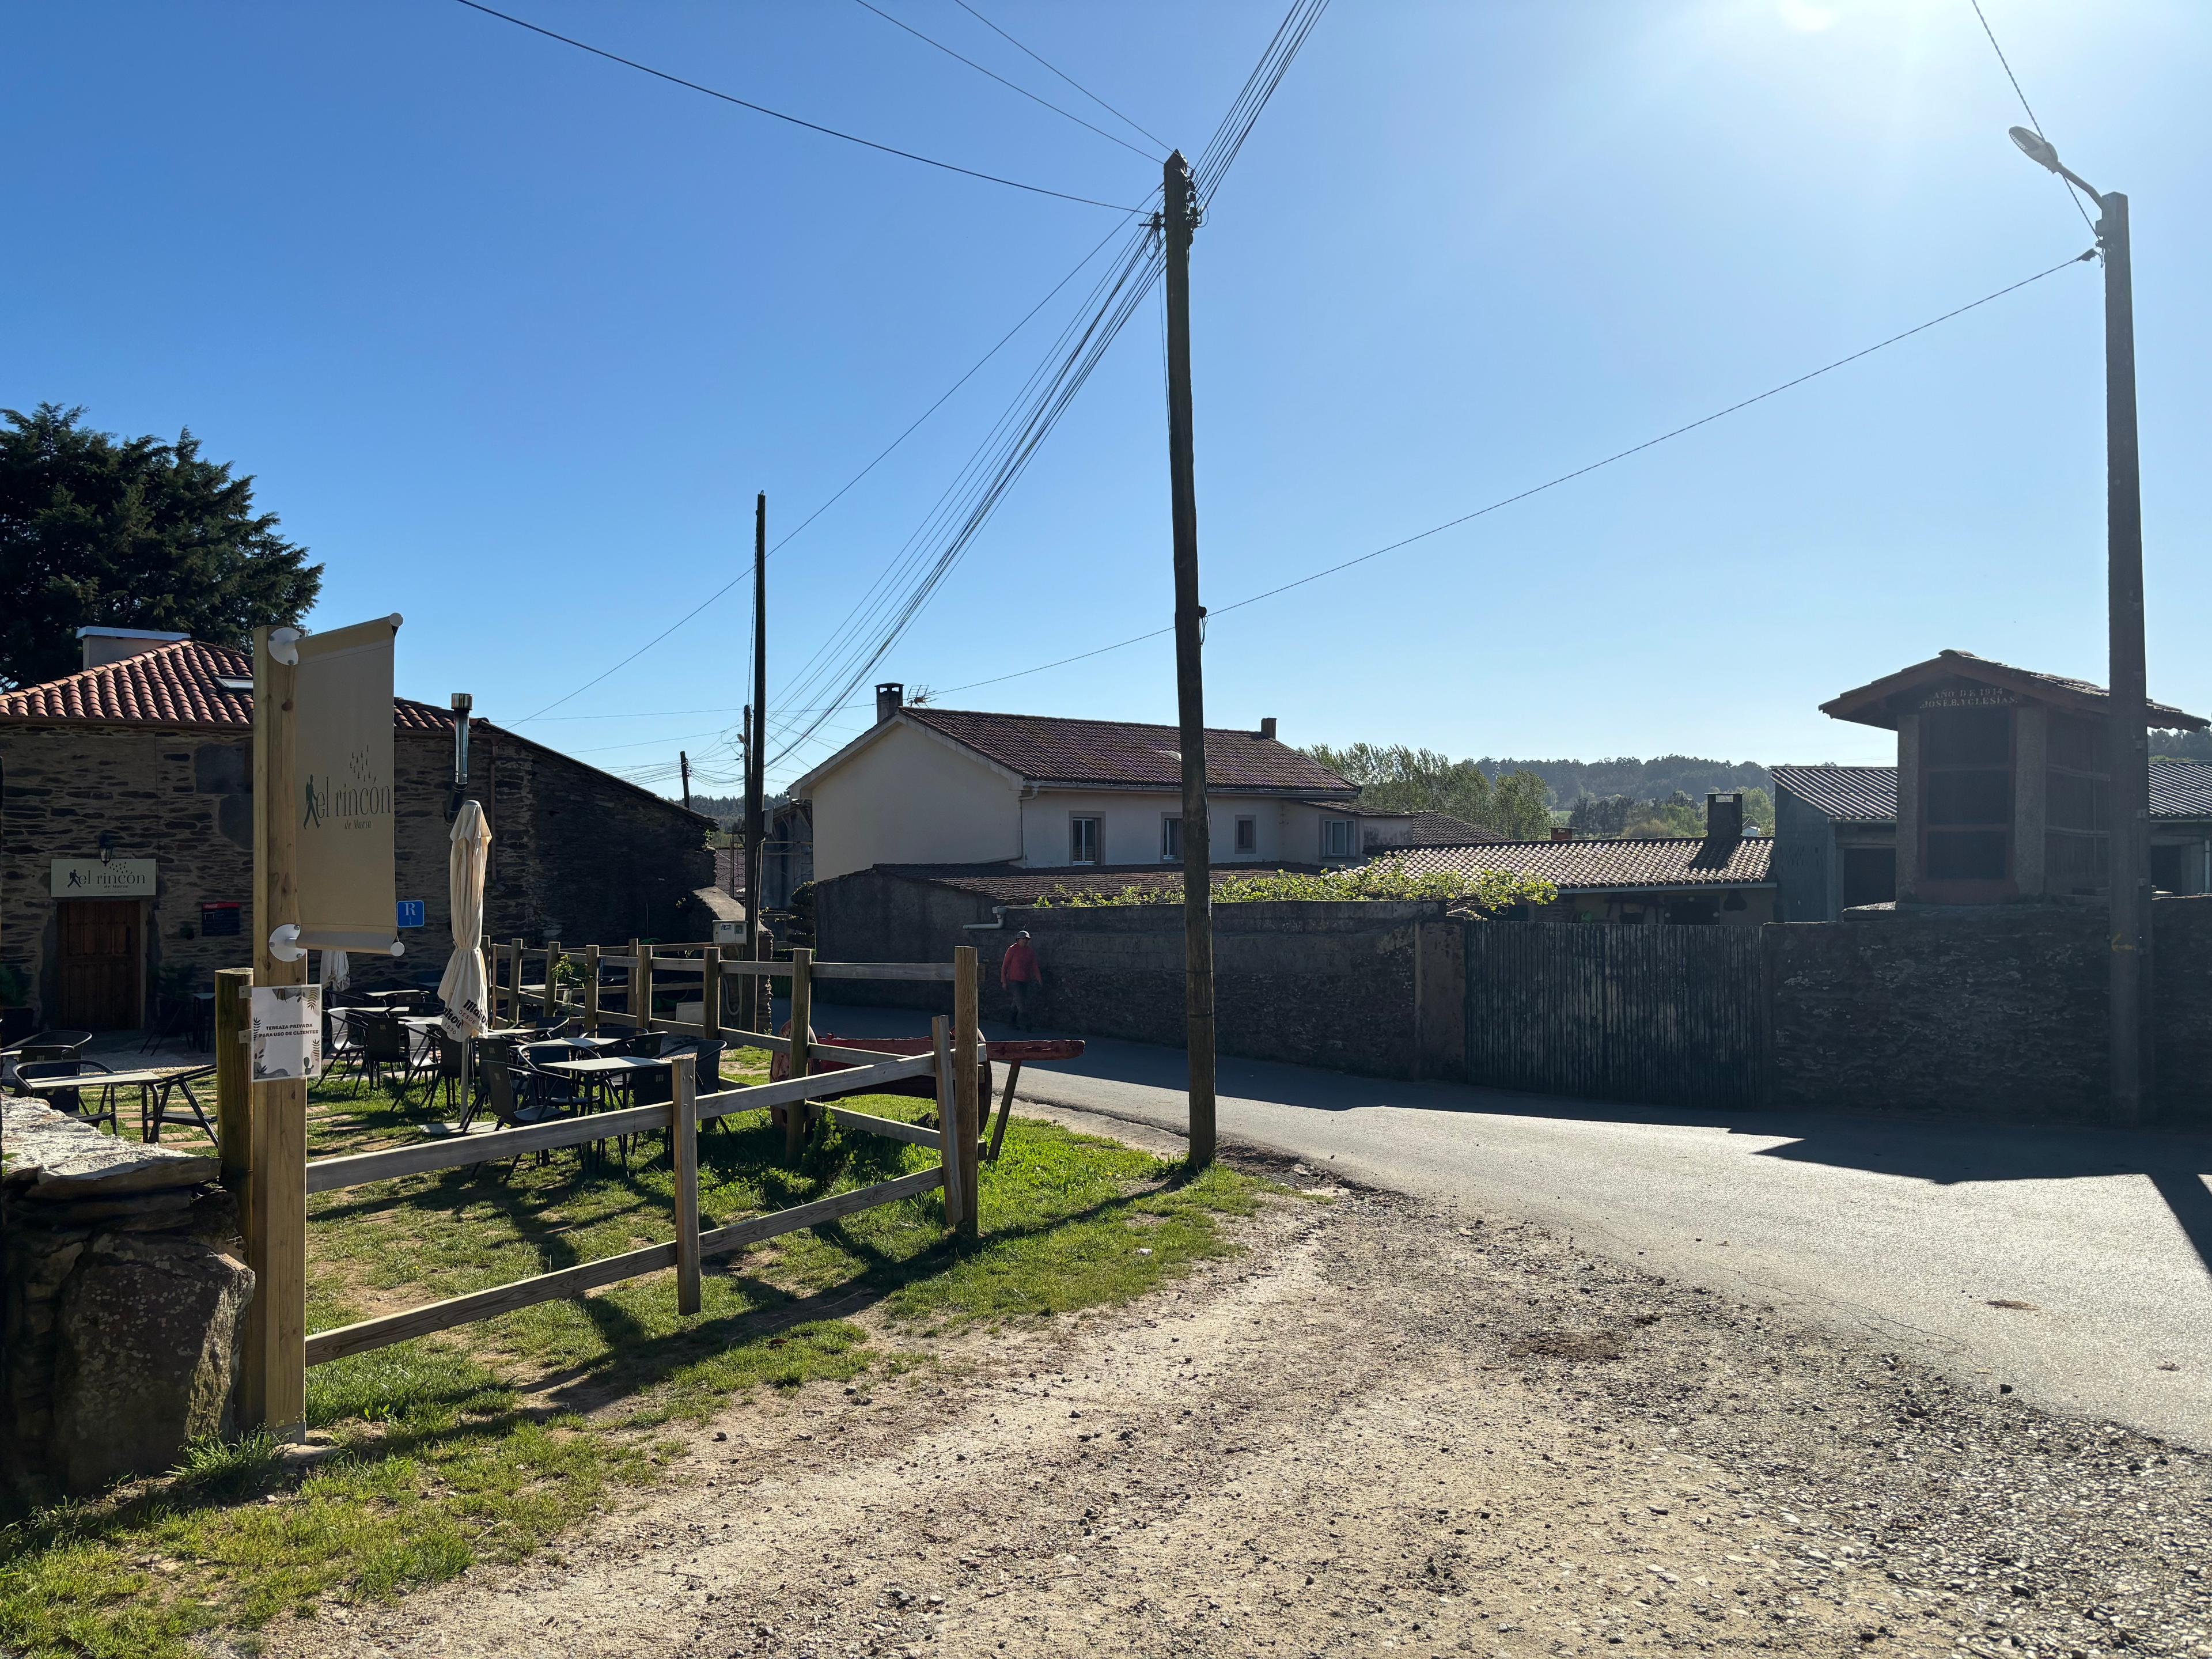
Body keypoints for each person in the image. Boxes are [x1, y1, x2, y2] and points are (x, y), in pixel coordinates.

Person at [999, 929, 1043, 1029]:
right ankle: (1028, 1025)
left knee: (1016, 1002)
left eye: (1027, 939)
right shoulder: (1012, 950)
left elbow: (1034, 966)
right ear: (1018, 940)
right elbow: (1005, 966)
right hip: (1014, 981)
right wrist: (1004, 981)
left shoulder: (1029, 952)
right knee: (1021, 1004)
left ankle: (1011, 1023)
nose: (1026, 941)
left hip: (1026, 980)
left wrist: (1039, 979)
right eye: (1023, 939)